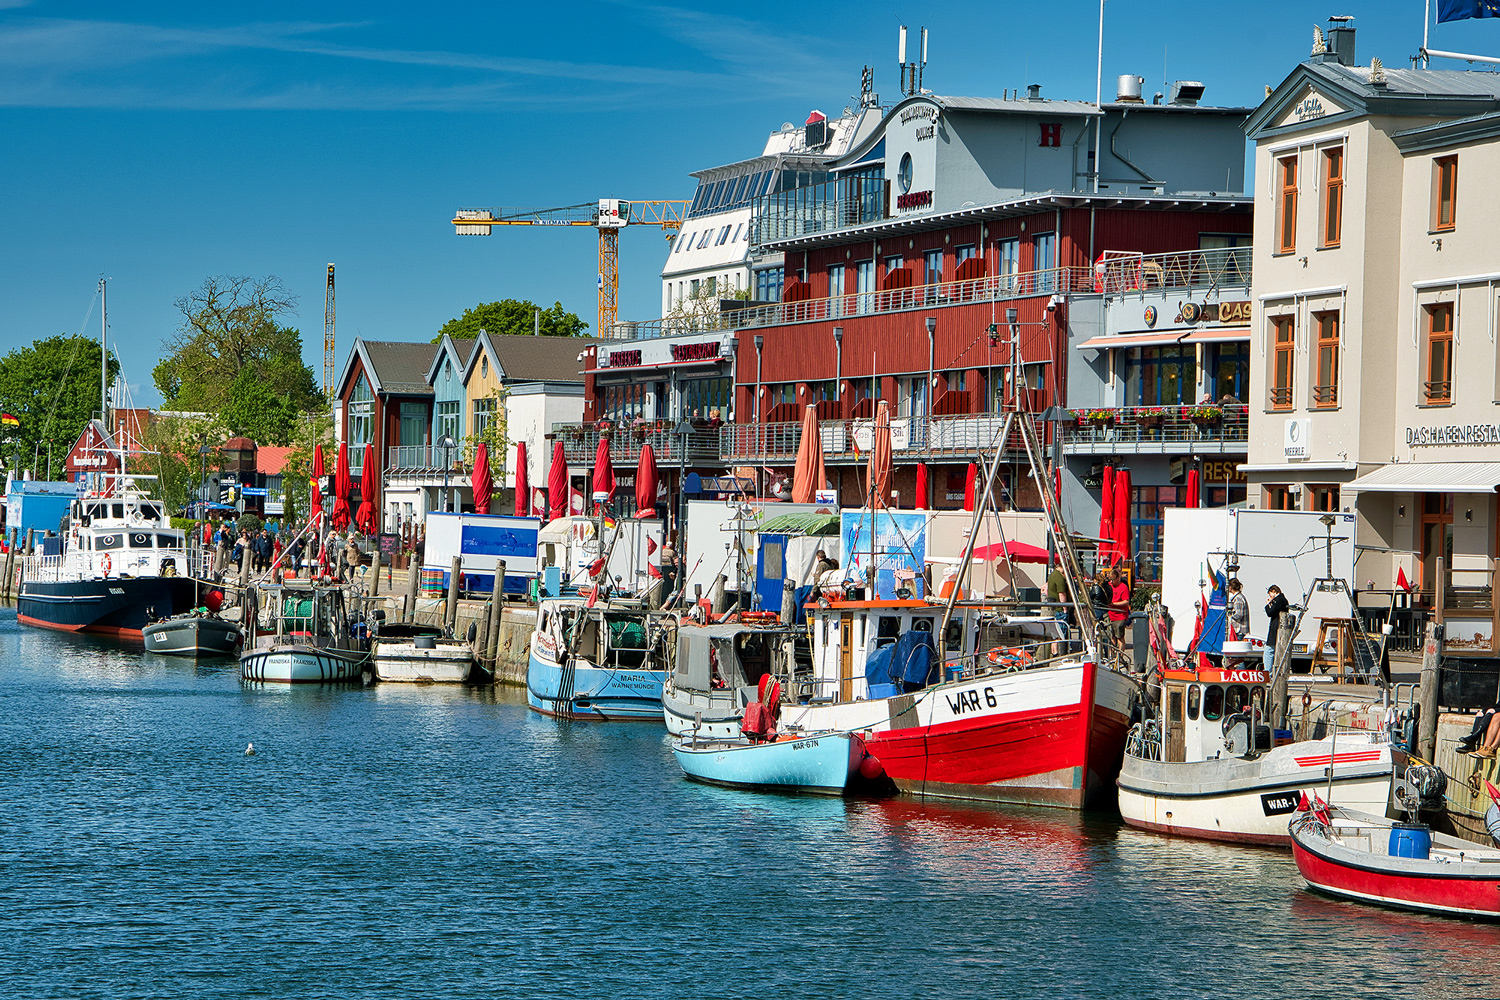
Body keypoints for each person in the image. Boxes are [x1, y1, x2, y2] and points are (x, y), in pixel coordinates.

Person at [1264, 584, 1290, 671]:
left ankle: (1268, 672)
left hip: (1276, 629)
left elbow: (1270, 613)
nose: (1270, 596)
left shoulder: (1279, 600)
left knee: (1268, 651)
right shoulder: (1283, 600)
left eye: (1270, 594)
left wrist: (1267, 605)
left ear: (1274, 592)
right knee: (1275, 651)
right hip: (1280, 628)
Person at [1108, 569, 1132, 662]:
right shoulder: (1109, 586)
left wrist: (1114, 604)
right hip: (1111, 614)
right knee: (1112, 636)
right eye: (1110, 579)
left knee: (1119, 637)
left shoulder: (1123, 587)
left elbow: (1126, 602)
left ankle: (1120, 656)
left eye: (1113, 579)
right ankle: (1112, 655)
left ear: (1118, 578)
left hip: (1120, 615)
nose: (1111, 582)